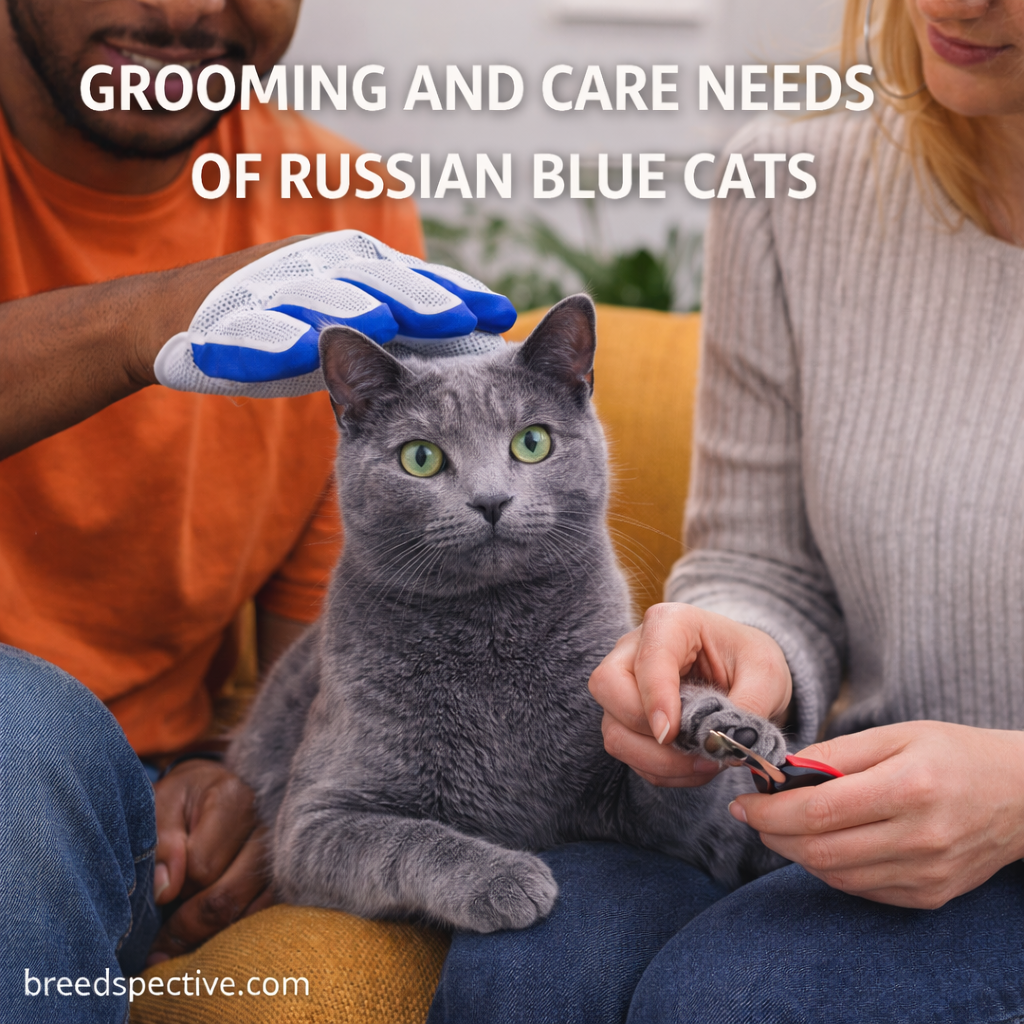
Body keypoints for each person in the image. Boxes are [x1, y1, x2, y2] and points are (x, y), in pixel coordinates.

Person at [428, 0, 1024, 1021]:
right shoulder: (792, 187)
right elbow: (761, 558)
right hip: (827, 813)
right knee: (525, 972)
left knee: (734, 1000)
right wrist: (737, 653)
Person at [0, 0, 442, 1019]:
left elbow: (330, 654)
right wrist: (140, 319)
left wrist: (234, 778)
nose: (194, 9)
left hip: (122, 820)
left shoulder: (343, 214)